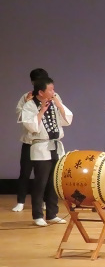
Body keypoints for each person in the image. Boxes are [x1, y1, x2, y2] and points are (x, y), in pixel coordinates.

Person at [21, 77, 72, 226]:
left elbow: (67, 120)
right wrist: (42, 109)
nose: (53, 92)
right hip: (41, 147)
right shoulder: (30, 105)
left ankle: (52, 213)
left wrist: (58, 104)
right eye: (50, 90)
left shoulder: (55, 102)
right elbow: (31, 126)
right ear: (41, 92)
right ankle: (37, 215)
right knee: (40, 182)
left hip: (55, 147)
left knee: (53, 182)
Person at [12, 68, 49, 213]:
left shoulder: (53, 95)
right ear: (33, 82)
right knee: (25, 171)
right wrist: (27, 103)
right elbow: (20, 116)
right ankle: (21, 201)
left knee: (45, 174)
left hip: (45, 142)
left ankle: (45, 201)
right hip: (29, 141)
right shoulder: (26, 96)